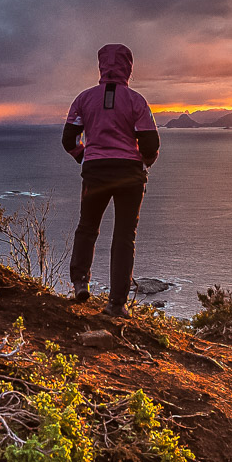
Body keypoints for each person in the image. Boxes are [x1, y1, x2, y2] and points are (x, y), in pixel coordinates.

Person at [62, 44, 160, 318]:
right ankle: (116, 304)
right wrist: (145, 160)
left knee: (88, 227)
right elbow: (151, 144)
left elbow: (69, 139)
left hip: (95, 171)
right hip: (129, 174)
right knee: (124, 236)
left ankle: (80, 282)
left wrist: (84, 155)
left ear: (101, 66)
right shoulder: (137, 101)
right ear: (129, 67)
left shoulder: (84, 99)